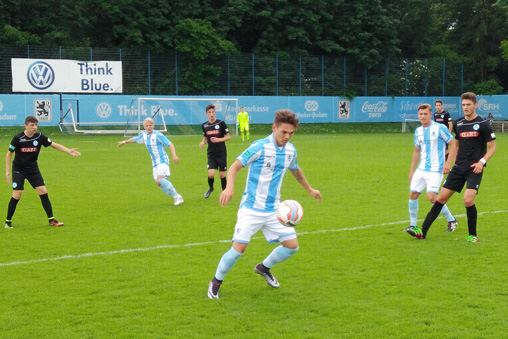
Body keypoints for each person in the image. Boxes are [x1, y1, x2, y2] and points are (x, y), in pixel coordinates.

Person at [207, 109, 322, 299]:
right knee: (238, 250)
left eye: (291, 133)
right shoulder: (259, 147)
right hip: (251, 208)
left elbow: (295, 169)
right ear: (274, 127)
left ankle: (263, 267)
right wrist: (229, 188)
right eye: (283, 132)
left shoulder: (291, 150)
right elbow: (235, 166)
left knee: (292, 246)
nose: (287, 137)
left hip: (274, 210)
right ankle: (216, 281)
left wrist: (310, 189)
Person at [407, 92, 496, 242]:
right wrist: (451, 159)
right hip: (458, 167)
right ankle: (422, 231)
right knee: (440, 198)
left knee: (468, 200)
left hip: (474, 168)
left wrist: (481, 162)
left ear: (475, 105)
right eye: (463, 105)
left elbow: (492, 148)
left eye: (468, 105)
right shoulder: (459, 123)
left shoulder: (483, 124)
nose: (466, 107)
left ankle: (472, 236)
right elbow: (456, 143)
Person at [4, 115, 81, 229]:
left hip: (33, 169)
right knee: (17, 194)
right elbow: (9, 154)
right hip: (19, 169)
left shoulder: (39, 137)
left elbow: (53, 145)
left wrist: (68, 151)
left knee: (43, 191)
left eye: (36, 125)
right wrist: (7, 171)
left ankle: (51, 220)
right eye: (32, 125)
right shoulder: (18, 138)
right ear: (26, 126)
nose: (35, 127)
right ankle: (8, 221)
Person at [405, 104, 458, 235]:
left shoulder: (440, 128)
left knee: (432, 197)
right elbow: (416, 151)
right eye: (420, 114)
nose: (422, 116)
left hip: (436, 168)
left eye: (425, 114)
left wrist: (448, 163)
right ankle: (413, 225)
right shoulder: (418, 131)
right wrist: (412, 170)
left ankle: (451, 220)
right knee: (413, 194)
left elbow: (453, 144)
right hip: (422, 168)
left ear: (430, 114)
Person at [118, 118, 183, 206]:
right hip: (155, 162)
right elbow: (135, 139)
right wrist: (124, 141)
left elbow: (170, 144)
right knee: (159, 183)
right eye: (147, 125)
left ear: (153, 126)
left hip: (162, 160)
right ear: (144, 127)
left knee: (161, 179)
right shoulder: (144, 135)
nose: (149, 127)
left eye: (150, 125)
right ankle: (175, 197)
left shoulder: (158, 135)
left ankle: (177, 196)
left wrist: (174, 156)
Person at [199, 104, 231, 199]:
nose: (211, 114)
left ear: (215, 113)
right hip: (211, 153)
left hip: (221, 152)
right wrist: (202, 142)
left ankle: (224, 192)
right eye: (209, 112)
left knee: (222, 175)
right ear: (206, 114)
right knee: (211, 174)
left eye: (213, 112)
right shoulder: (204, 125)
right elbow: (205, 137)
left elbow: (228, 137)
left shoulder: (221, 123)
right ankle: (211, 188)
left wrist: (218, 140)